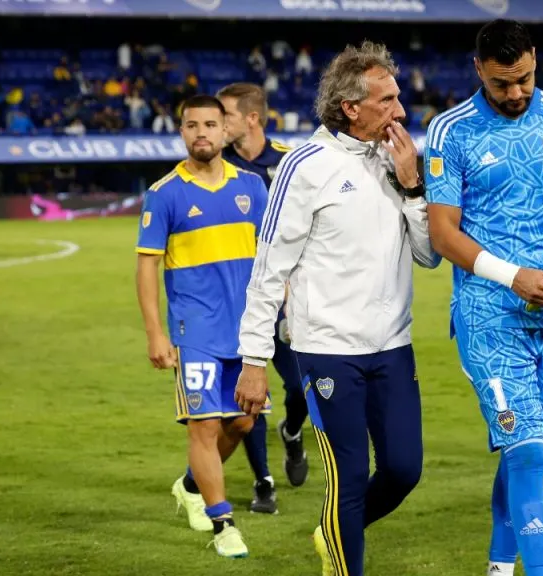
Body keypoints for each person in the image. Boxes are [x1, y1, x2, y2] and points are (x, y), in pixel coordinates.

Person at [234, 40, 441, 576]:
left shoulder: (396, 161)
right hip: (326, 351)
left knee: (402, 470)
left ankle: (333, 532)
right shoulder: (305, 165)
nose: (400, 110)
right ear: (350, 107)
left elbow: (428, 256)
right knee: (349, 477)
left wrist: (413, 185)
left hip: (393, 346)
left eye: (398, 98)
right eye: (387, 99)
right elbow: (268, 269)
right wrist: (255, 361)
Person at [424, 20, 543, 576]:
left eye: (524, 79)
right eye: (502, 83)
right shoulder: (449, 132)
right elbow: (443, 233)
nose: (515, 93)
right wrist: (513, 277)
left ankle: (500, 566)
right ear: (478, 69)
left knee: (530, 448)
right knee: (526, 448)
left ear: (535, 58)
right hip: (488, 313)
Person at [135, 94, 267, 559]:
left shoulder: (252, 186)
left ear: (225, 129)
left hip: (248, 332)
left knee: (245, 421)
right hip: (196, 332)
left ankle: (190, 485)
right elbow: (146, 267)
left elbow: (272, 257)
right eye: (192, 125)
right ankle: (223, 523)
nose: (202, 133)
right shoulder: (165, 193)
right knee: (205, 424)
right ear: (182, 131)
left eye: (211, 124)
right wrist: (155, 332)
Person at [216, 81, 309, 515]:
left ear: (252, 118)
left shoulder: (289, 163)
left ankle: (292, 431)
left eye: (226, 116)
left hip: (288, 299)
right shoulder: (218, 167)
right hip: (239, 300)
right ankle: (263, 482)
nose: (218, 124)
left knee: (301, 388)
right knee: (249, 395)